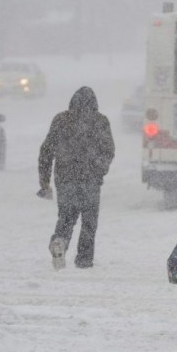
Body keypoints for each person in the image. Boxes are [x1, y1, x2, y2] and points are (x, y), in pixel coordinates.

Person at [38, 86, 115, 269]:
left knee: (66, 217)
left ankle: (60, 241)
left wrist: (44, 180)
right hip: (89, 179)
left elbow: (46, 151)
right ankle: (84, 260)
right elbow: (109, 150)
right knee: (89, 221)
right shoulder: (100, 121)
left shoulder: (61, 120)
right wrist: (99, 169)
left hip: (65, 178)